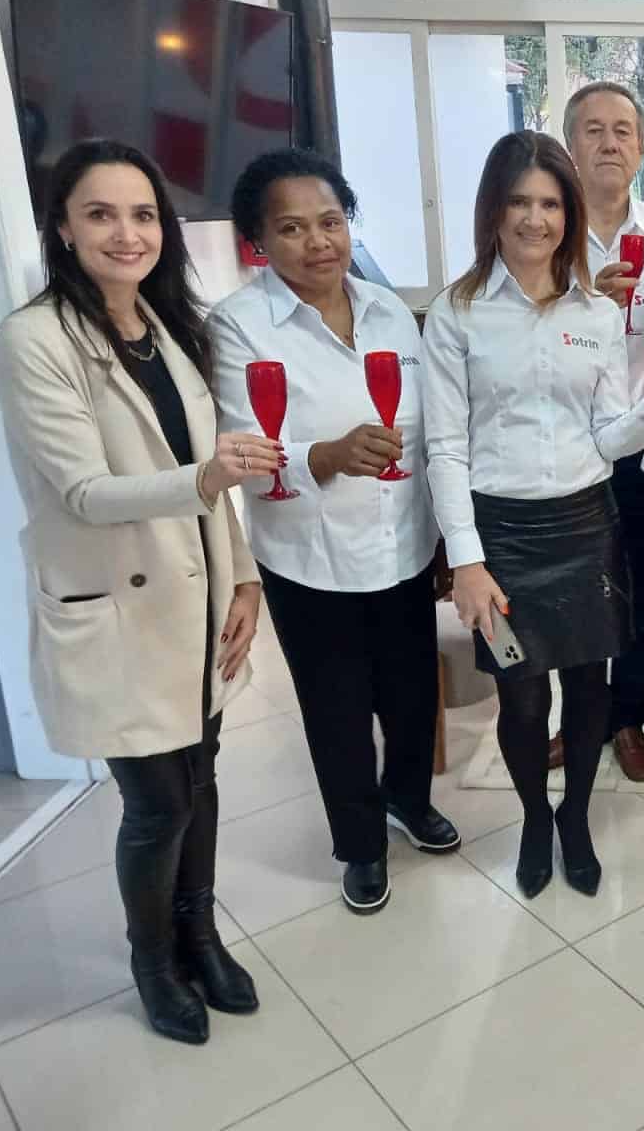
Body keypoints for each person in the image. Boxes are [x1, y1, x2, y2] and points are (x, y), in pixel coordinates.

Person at [0, 140, 273, 1044]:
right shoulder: (31, 343)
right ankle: (153, 962)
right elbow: (84, 491)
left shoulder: (168, 325)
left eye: (143, 214)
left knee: (203, 779)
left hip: (198, 596)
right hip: (117, 607)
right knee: (158, 804)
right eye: (101, 214)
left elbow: (205, 477)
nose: (127, 233)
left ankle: (200, 934)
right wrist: (208, 477)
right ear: (63, 229)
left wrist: (244, 576)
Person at [423, 132, 644, 898]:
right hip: (502, 538)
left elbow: (605, 437)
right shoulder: (458, 313)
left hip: (586, 528)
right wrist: (466, 560)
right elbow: (445, 447)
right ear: (493, 210)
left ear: (569, 214)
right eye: (519, 202)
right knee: (521, 695)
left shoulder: (598, 313)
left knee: (589, 688)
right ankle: (535, 819)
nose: (535, 219)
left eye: (549, 203)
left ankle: (574, 815)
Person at [208, 149, 460, 918]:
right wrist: (325, 455)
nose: (318, 242)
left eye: (330, 222)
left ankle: (408, 801)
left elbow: (428, 433)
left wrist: (445, 537)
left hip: (403, 544)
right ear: (258, 240)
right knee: (337, 710)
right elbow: (241, 452)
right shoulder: (238, 326)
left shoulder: (389, 312)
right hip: (308, 560)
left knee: (412, 696)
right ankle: (360, 845)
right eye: (291, 228)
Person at [553, 80, 644, 782]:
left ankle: (628, 714)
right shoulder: (545, 234)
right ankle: (578, 718)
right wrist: (583, 306)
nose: (609, 143)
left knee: (641, 583)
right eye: (593, 130)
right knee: (575, 586)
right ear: (569, 145)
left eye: (623, 131)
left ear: (641, 147)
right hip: (568, 443)